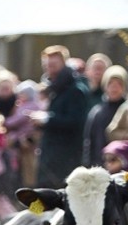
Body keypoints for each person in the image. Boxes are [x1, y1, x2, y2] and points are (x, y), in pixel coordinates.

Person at [32, 46, 92, 188]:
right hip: (51, 157)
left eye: (53, 65)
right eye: (46, 65)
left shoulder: (75, 90)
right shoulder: (53, 89)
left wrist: (47, 119)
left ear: (63, 63)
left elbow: (76, 121)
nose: (49, 68)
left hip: (66, 158)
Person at [83, 65, 128, 168]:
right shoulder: (97, 112)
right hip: (100, 166)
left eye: (118, 84)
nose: (114, 88)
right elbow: (89, 143)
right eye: (111, 84)